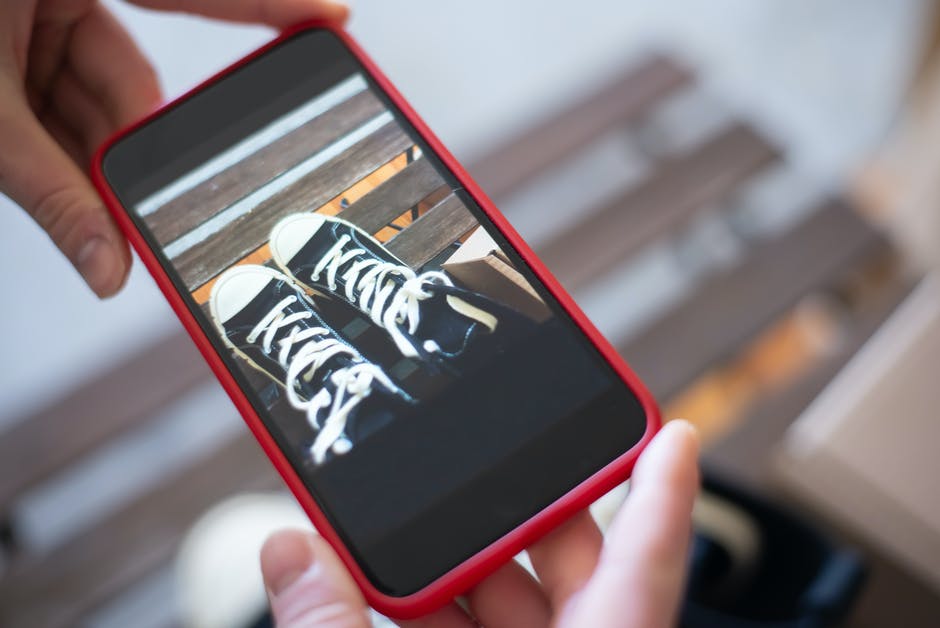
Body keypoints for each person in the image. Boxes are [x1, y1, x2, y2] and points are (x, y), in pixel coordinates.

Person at [0, 2, 700, 626]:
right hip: (581, 506)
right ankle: (434, 329)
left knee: (225, 545)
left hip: (423, 521)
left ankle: (361, 395)